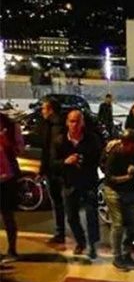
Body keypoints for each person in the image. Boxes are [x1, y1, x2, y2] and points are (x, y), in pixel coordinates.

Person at [53, 110, 101, 259]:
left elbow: (98, 159)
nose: (74, 125)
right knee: (71, 217)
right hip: (69, 183)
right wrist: (66, 162)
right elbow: (53, 163)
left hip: (88, 183)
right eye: (72, 121)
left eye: (77, 121)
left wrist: (83, 160)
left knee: (91, 215)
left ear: (82, 123)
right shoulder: (60, 141)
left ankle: (92, 245)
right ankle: (80, 242)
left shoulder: (92, 139)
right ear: (67, 123)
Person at [102, 129, 134, 270]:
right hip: (113, 191)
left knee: (132, 226)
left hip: (130, 191)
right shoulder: (115, 153)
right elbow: (109, 178)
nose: (127, 147)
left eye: (130, 144)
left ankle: (127, 254)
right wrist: (127, 177)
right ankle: (117, 257)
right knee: (118, 224)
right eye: (125, 144)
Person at [38, 97, 66, 243]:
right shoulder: (48, 125)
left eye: (44, 108)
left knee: (63, 203)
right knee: (58, 202)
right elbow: (46, 150)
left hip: (60, 170)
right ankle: (60, 233)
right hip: (52, 169)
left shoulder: (61, 126)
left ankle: (62, 233)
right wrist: (42, 170)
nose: (42, 111)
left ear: (50, 110)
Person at [0, 112, 24, 263]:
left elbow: (19, 149)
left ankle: (12, 250)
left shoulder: (11, 126)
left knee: (8, 215)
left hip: (7, 177)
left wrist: (7, 143)